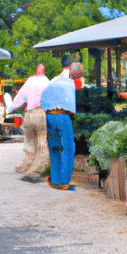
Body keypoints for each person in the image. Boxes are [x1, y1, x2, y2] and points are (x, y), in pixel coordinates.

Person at [40, 59, 84, 190]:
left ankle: (55, 180)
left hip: (48, 116)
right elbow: (79, 91)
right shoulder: (72, 79)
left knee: (54, 147)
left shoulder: (54, 80)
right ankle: (64, 182)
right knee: (67, 148)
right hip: (63, 116)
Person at [7, 64, 50, 174]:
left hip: (30, 114)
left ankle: (27, 164)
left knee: (30, 141)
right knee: (42, 141)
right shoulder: (48, 83)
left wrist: (10, 110)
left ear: (36, 71)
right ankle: (41, 167)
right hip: (42, 114)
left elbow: (19, 98)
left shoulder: (30, 81)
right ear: (44, 71)